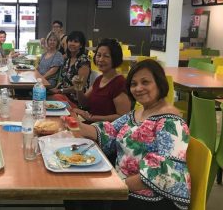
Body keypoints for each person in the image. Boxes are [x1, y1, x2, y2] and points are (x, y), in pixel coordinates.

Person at [71, 59, 190, 209]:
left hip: (155, 196)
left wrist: (117, 186)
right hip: (125, 184)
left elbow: (164, 172)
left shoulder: (172, 122)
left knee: (85, 196)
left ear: (159, 84)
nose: (138, 88)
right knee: (78, 191)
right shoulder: (139, 112)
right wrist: (77, 126)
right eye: (134, 84)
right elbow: (111, 130)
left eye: (145, 82)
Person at [72, 38, 131, 122]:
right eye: (98, 55)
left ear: (115, 58)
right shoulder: (99, 79)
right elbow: (84, 103)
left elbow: (123, 117)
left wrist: (92, 118)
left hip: (106, 131)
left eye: (106, 56)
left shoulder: (119, 83)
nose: (100, 59)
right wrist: (78, 88)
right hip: (92, 125)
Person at [49, 31, 91, 107]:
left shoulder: (84, 61)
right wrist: (55, 89)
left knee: (49, 100)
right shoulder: (68, 59)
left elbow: (79, 87)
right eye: (70, 41)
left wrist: (60, 91)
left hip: (75, 100)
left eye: (76, 42)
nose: (72, 43)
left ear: (81, 45)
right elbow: (63, 80)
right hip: (63, 95)